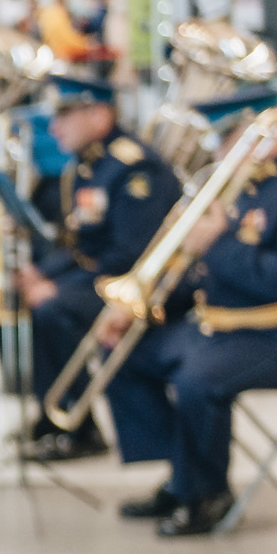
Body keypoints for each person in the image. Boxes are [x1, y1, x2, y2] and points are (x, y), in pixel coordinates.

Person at [106, 104, 277, 536]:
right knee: (125, 353)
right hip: (222, 327)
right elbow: (202, 274)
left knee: (197, 380)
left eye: (227, 137)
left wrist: (216, 242)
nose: (219, 150)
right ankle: (182, 474)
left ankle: (206, 494)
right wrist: (143, 306)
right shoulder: (244, 186)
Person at [18, 77, 181, 461]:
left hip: (136, 285)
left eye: (65, 117)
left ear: (99, 114)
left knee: (52, 309)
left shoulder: (134, 167)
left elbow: (130, 254)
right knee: (23, 298)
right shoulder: (89, 166)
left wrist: (58, 290)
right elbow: (81, 244)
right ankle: (54, 415)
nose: (55, 128)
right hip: (104, 276)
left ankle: (78, 429)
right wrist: (45, 273)